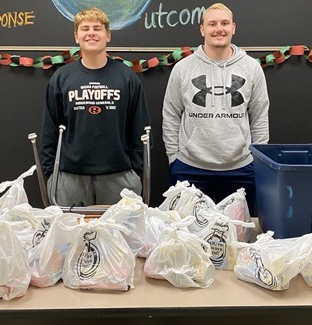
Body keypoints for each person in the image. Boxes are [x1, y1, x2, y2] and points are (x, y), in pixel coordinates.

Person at [162, 3, 269, 216]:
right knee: (188, 237)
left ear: (233, 28)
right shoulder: (183, 68)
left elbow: (259, 115)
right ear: (203, 29)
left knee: (239, 236)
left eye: (224, 23)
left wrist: (258, 160)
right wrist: (173, 157)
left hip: (241, 168)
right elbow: (171, 113)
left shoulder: (251, 67)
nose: (219, 29)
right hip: (189, 167)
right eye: (212, 24)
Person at [40, 7, 151, 207]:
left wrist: (135, 173)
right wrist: (52, 175)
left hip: (120, 178)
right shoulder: (61, 78)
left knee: (119, 237)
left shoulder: (127, 78)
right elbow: (49, 131)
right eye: (85, 28)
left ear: (108, 35)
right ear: (76, 36)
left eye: (97, 28)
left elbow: (140, 130)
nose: (91, 32)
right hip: (69, 179)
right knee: (72, 237)